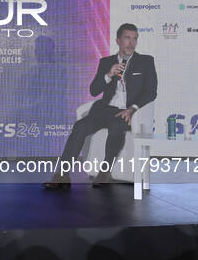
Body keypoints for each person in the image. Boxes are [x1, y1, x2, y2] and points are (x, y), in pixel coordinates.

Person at [43, 23, 157, 188]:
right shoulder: (106, 62)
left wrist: (132, 109)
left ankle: (105, 172)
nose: (131, 43)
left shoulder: (145, 62)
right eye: (127, 38)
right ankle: (62, 174)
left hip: (125, 111)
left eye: (134, 39)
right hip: (104, 109)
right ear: (118, 40)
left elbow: (151, 92)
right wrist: (109, 75)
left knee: (117, 127)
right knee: (80, 126)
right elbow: (94, 90)